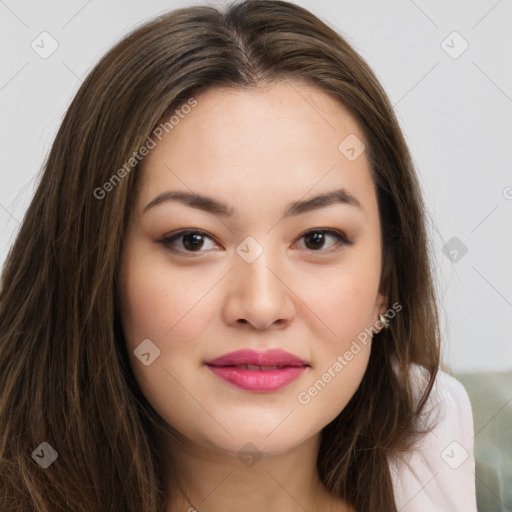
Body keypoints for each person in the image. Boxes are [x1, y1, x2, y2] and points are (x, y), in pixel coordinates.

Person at [0, 1, 477, 511]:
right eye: (193, 240)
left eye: (317, 239)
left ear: (387, 280)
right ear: (98, 270)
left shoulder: (429, 433)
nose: (262, 304)